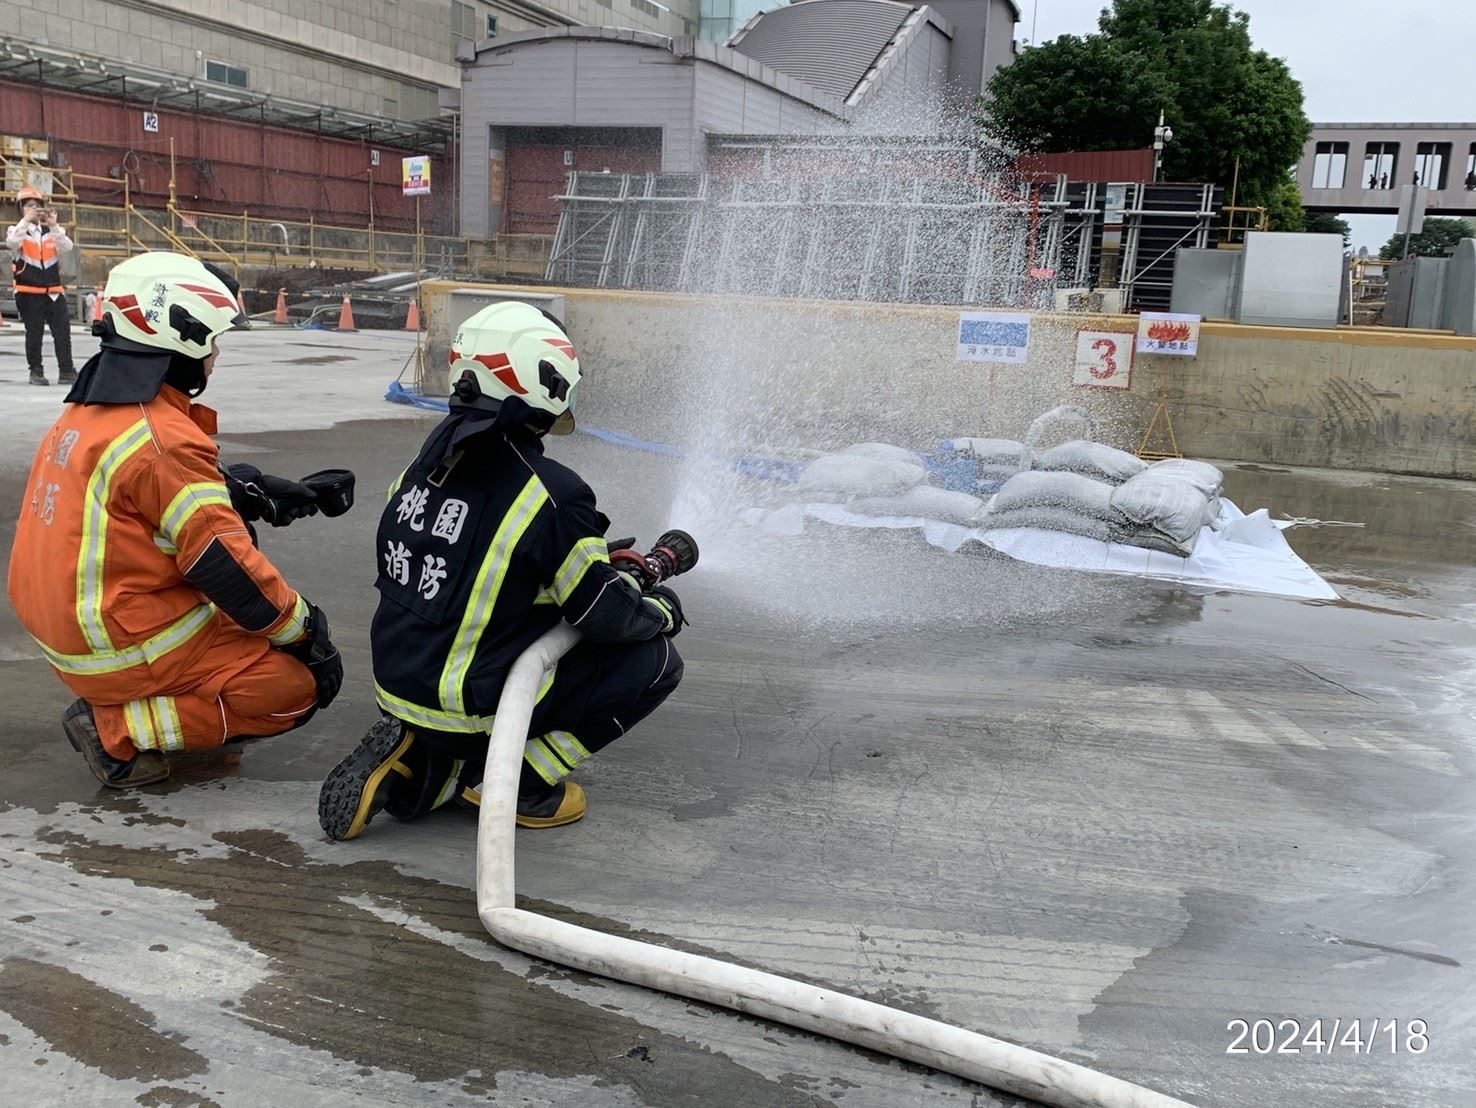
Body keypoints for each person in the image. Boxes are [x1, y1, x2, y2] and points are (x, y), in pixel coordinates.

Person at [317, 301, 684, 840]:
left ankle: (424, 763)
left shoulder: (422, 468)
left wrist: (585, 554)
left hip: (399, 682)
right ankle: (518, 782)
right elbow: (604, 615)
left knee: (502, 634)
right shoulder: (551, 492)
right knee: (654, 663)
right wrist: (658, 610)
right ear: (546, 380)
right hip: (474, 704)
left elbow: (477, 564)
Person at [6, 251, 343, 789]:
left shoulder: (90, 412)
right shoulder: (162, 440)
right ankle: (117, 728)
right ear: (180, 339)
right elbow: (225, 565)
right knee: (292, 686)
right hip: (114, 643)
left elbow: (138, 497)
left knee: (252, 624)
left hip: (71, 625)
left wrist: (244, 489)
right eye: (210, 341)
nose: (213, 357)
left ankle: (137, 709)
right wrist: (307, 632)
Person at [7, 186, 77, 386]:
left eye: (37, 206)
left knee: (62, 333)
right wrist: (26, 220)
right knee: (35, 333)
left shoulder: (50, 233)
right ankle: (36, 371)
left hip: (53, 291)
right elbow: (12, 243)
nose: (34, 209)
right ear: (21, 209)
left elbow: (67, 247)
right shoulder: (17, 230)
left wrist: (54, 226)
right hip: (29, 292)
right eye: (29, 206)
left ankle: (66, 370)